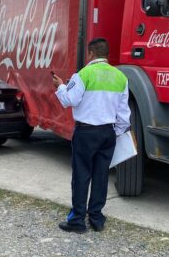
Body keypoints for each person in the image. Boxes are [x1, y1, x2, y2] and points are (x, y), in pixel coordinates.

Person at [52, 37, 130, 233]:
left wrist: (60, 86)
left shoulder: (83, 74)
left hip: (86, 132)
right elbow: (123, 114)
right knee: (101, 175)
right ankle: (96, 218)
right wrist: (116, 132)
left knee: (81, 175)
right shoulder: (121, 77)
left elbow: (69, 100)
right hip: (108, 133)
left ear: (90, 53)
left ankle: (77, 220)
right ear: (107, 55)